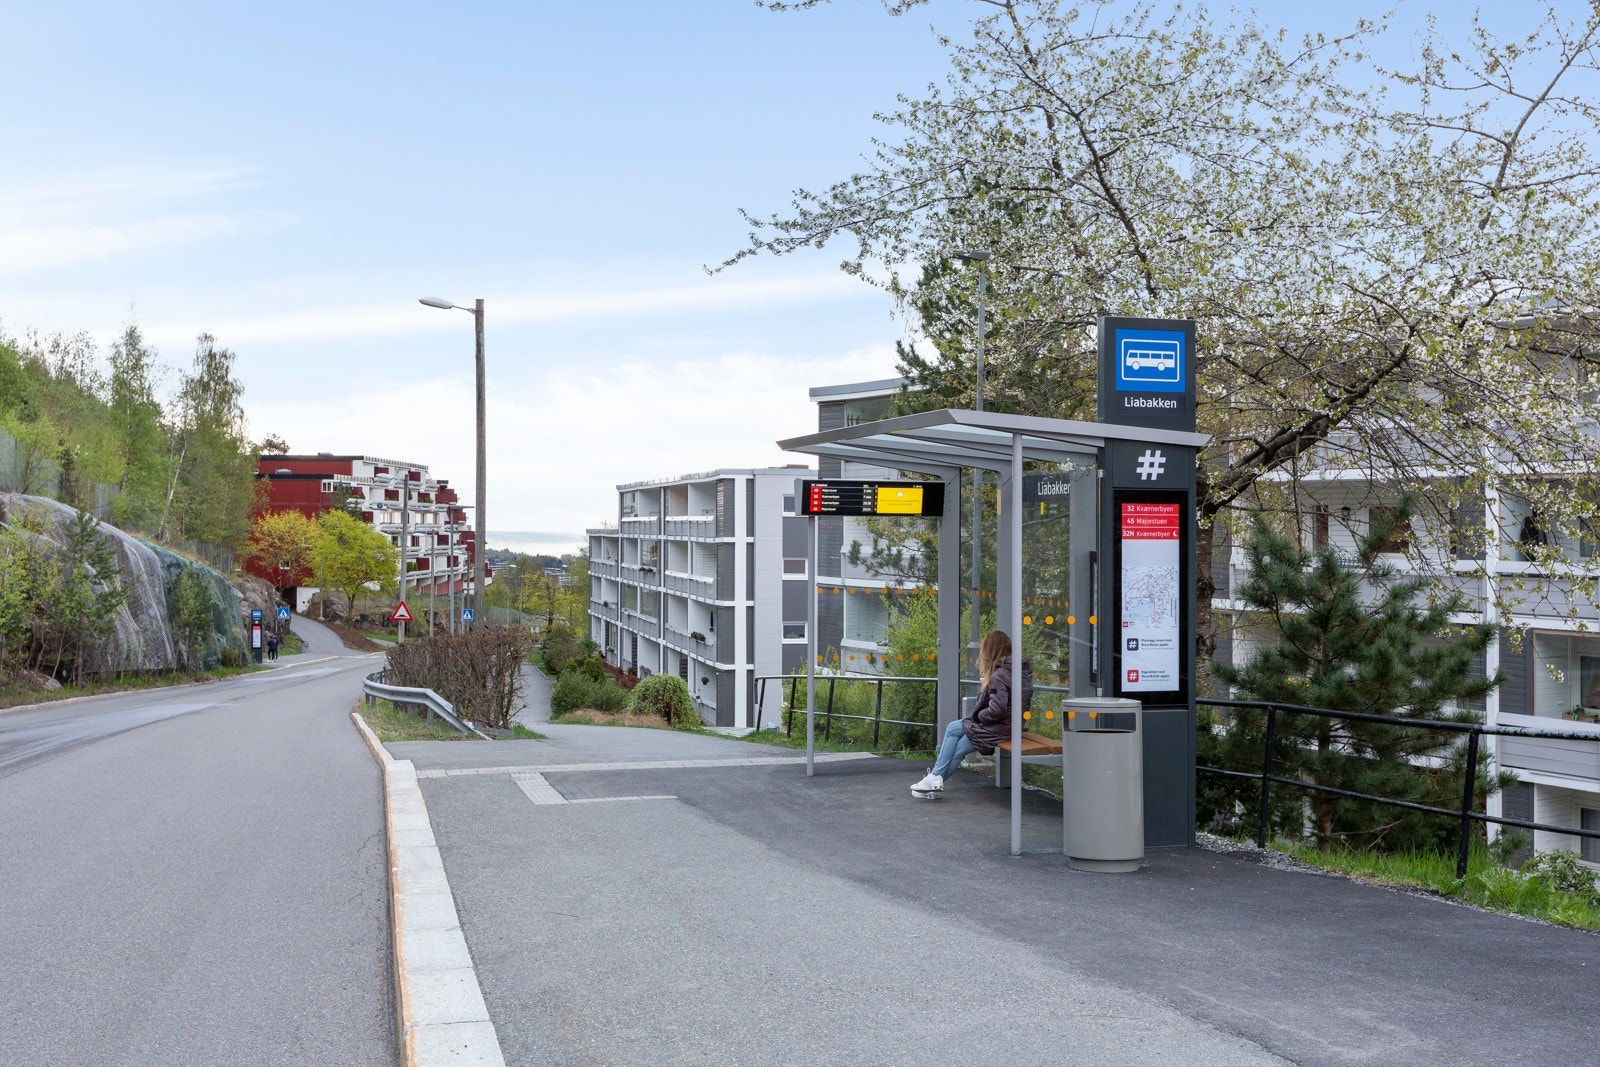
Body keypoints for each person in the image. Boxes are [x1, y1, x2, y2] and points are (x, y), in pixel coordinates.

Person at [912, 630, 1033, 797]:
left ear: (990, 650)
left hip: (999, 727)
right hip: (1009, 726)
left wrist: (978, 717)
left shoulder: (999, 674)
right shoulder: (1017, 671)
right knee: (959, 748)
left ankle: (934, 778)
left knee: (953, 728)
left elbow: (997, 710)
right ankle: (932, 785)